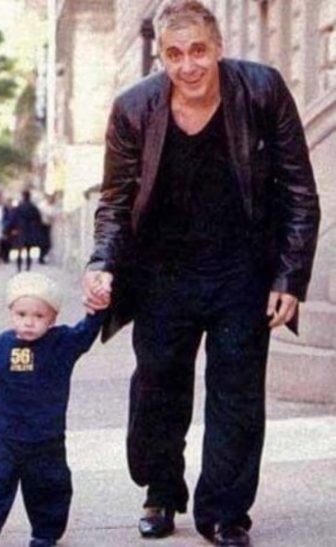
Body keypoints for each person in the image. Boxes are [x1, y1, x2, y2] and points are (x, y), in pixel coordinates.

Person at [82, 2, 320, 545]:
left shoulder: (261, 90)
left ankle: (226, 512)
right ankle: (161, 492)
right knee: (158, 388)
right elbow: (115, 202)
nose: (188, 65)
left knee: (237, 393)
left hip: (243, 270)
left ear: (217, 48)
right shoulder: (134, 108)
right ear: (161, 56)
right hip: (163, 271)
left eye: (198, 51)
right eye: (174, 54)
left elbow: (300, 192)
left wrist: (290, 277)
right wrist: (102, 263)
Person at [0, 272, 109, 547]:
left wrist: (98, 311)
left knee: (49, 485)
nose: (29, 321)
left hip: (46, 437)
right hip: (4, 434)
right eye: (21, 314)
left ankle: (45, 533)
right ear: (11, 313)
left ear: (52, 319)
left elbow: (86, 332)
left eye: (39, 316)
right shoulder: (3, 343)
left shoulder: (62, 343)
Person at [9, 189, 43, 272]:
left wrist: (11, 229)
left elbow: (13, 219)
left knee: (19, 250)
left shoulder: (19, 207)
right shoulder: (33, 207)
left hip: (21, 230)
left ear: (23, 196)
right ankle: (28, 266)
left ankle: (19, 267)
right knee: (29, 250)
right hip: (30, 230)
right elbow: (38, 219)